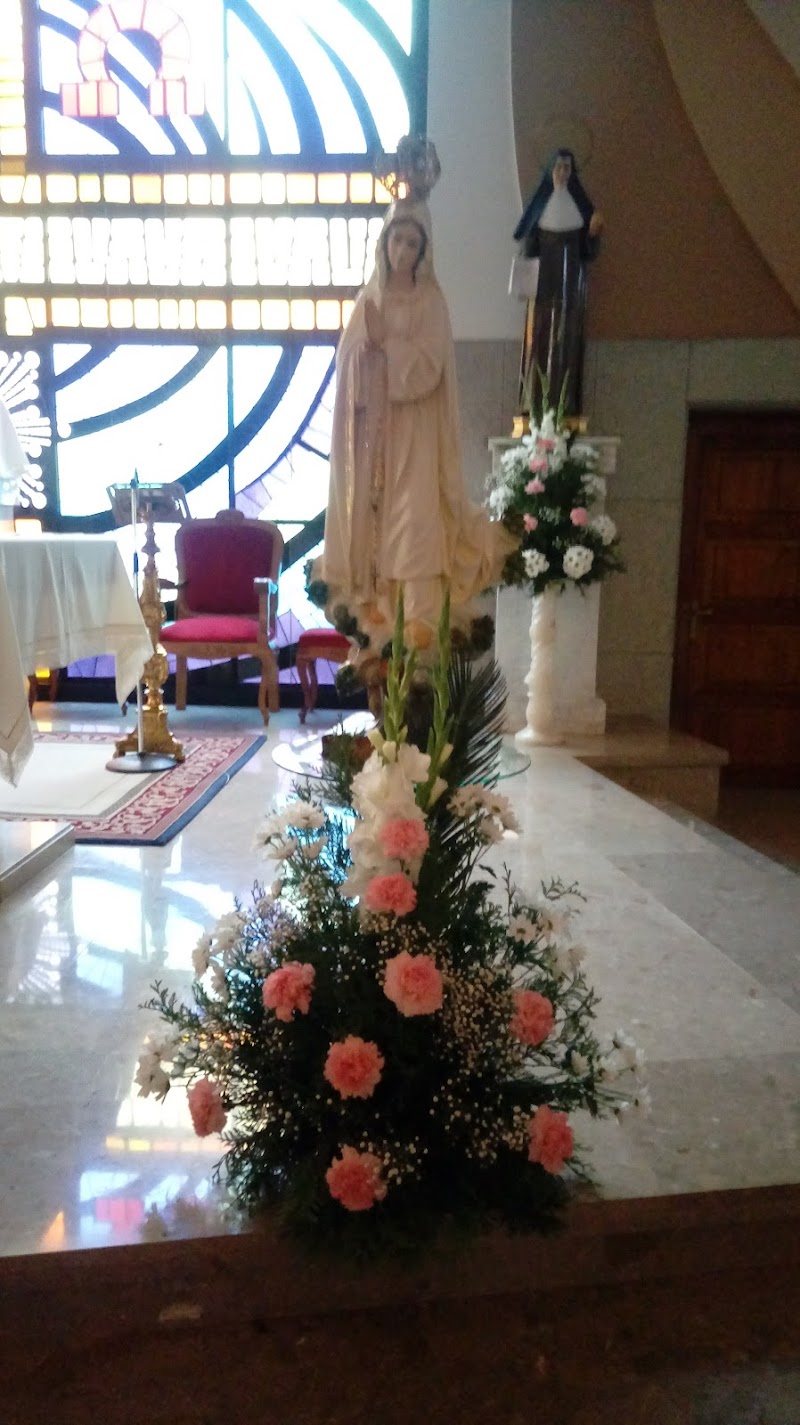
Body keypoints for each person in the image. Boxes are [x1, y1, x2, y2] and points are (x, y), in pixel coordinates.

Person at [321, 192, 514, 652]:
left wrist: (385, 349)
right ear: (384, 243)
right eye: (396, 240)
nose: (402, 251)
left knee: (415, 517)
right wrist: (366, 356)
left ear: (423, 250)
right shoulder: (368, 300)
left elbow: (429, 367)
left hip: (417, 430)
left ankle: (420, 620)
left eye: (412, 243)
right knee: (375, 521)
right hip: (375, 436)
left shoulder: (431, 301)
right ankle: (380, 613)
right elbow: (347, 368)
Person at [514, 148, 602, 419]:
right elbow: (528, 245)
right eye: (559, 167)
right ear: (550, 171)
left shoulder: (580, 208)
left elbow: (588, 251)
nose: (563, 173)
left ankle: (566, 406)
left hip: (571, 284)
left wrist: (592, 232)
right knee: (540, 334)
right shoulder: (541, 206)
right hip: (543, 284)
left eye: (567, 168)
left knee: (568, 336)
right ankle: (534, 404)